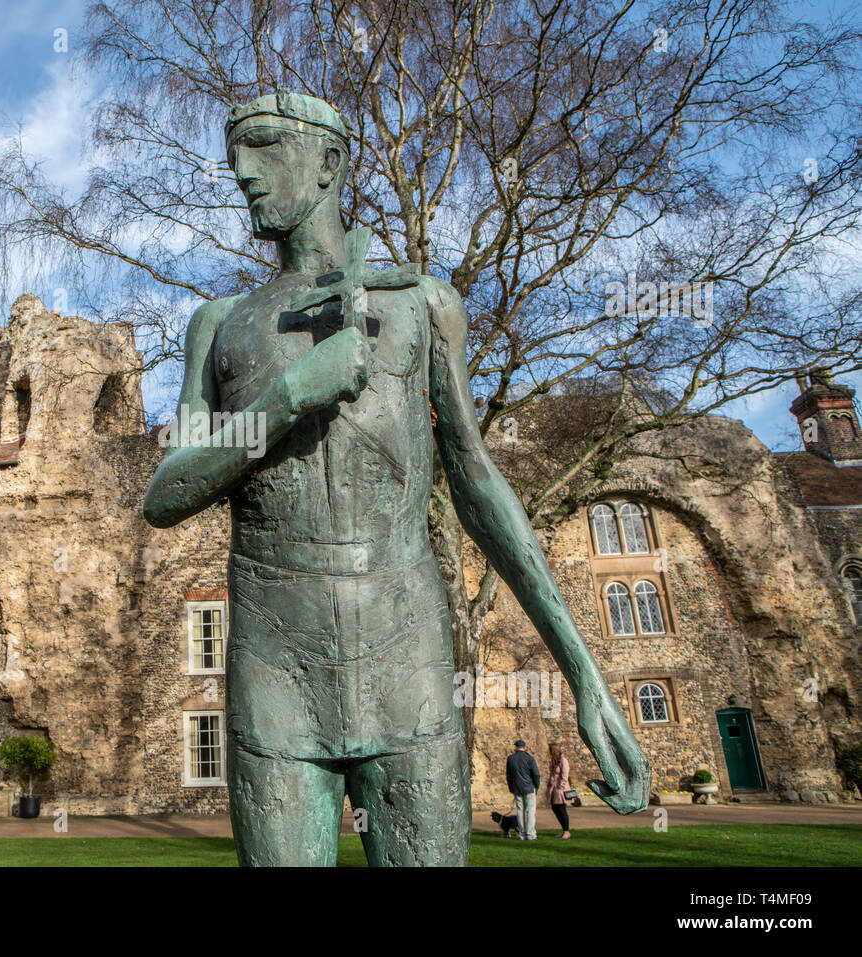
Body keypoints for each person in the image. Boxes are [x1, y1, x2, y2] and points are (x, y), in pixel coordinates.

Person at [142, 90, 650, 866]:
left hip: (406, 653)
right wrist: (291, 395)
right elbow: (169, 490)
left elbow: (478, 484)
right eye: (234, 150)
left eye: (265, 145)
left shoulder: (422, 304)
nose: (240, 171)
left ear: (330, 163)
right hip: (276, 666)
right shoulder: (220, 325)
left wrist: (584, 672)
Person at [506, 739, 541, 840]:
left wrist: (511, 787)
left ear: (515, 747)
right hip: (529, 787)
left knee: (520, 811)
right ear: (524, 747)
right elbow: (536, 774)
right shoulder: (529, 758)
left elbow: (508, 775)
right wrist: (536, 786)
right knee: (530, 811)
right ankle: (530, 834)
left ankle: (521, 833)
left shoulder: (511, 758)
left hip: (517, 787)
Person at [548, 742, 572, 839]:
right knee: (555, 808)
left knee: (562, 809)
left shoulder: (563, 760)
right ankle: (563, 830)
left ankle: (566, 831)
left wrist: (560, 787)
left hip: (560, 789)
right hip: (554, 788)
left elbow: (565, 774)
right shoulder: (554, 761)